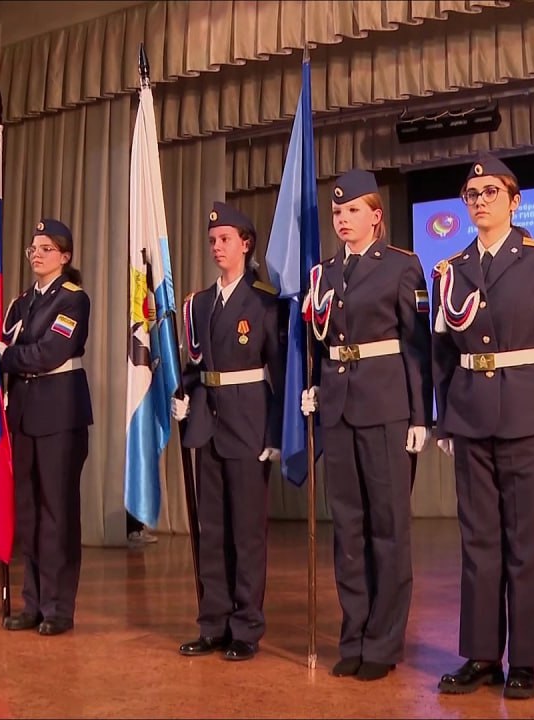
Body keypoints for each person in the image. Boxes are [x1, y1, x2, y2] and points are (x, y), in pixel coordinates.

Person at [430, 154, 534, 699]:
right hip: (470, 414)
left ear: (514, 201)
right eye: (472, 194)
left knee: (525, 545)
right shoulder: (450, 269)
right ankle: (482, 655)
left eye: (491, 192)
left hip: (528, 417)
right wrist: (444, 416)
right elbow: (442, 352)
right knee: (478, 543)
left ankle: (525, 662)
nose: (480, 201)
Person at [300, 169, 432, 682]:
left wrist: (421, 414)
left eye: (352, 210)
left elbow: (417, 345)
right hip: (338, 406)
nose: (342, 218)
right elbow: (317, 338)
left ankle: (384, 640)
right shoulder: (325, 273)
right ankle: (353, 633)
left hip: (386, 407)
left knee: (388, 529)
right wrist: (315, 383)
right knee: (348, 531)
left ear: (376, 216)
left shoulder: (402, 266)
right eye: (337, 211)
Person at [172, 202, 285, 662]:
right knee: (212, 531)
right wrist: (184, 391)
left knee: (247, 533)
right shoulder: (199, 302)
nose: (217, 246)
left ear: (246, 244)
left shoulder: (263, 299)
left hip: (249, 422)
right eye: (213, 240)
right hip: (208, 421)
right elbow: (196, 363)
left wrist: (276, 433)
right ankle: (213, 622)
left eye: (226, 239)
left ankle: (246, 627)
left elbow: (278, 370)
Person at [0, 218, 93, 637]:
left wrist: (6, 356)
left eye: (45, 248)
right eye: (32, 248)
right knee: (30, 514)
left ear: (65, 256)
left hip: (59, 414)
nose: (36, 254)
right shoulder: (22, 303)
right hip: (24, 413)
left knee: (58, 513)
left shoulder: (73, 300)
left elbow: (50, 353)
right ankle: (32, 602)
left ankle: (59, 607)